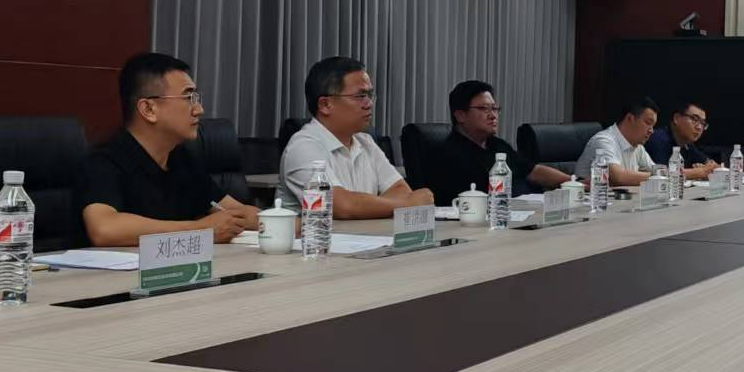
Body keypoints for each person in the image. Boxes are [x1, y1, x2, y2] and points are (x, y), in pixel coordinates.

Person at [76, 52, 261, 246]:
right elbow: (104, 229)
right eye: (188, 98)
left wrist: (273, 221)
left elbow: (235, 211)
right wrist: (201, 230)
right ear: (149, 109)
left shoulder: (181, 159)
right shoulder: (103, 162)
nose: (199, 109)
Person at [280, 57, 433, 218]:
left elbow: (401, 191)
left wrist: (364, 205)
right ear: (325, 105)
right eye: (360, 96)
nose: (369, 104)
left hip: (368, 233)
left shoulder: (365, 142)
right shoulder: (303, 147)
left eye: (370, 95)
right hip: (318, 235)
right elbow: (338, 205)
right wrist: (405, 205)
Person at [429, 79, 569, 202]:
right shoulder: (448, 154)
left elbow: (532, 171)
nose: (493, 115)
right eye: (483, 109)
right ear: (460, 115)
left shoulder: (498, 145)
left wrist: (573, 182)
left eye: (495, 109)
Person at [575, 97, 660, 187]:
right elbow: (618, 177)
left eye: (653, 126)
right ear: (630, 118)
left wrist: (661, 174)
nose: (651, 131)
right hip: (591, 195)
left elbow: (655, 170)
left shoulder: (638, 147)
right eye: (648, 123)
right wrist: (657, 177)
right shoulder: (604, 140)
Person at [646, 102, 718, 180]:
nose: (699, 127)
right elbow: (661, 175)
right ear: (676, 118)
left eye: (703, 123)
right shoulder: (658, 139)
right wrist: (699, 172)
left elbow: (712, 166)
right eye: (695, 119)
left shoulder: (687, 144)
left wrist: (706, 167)